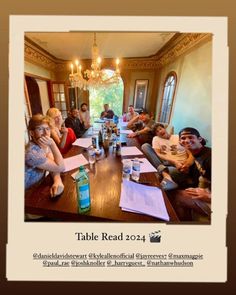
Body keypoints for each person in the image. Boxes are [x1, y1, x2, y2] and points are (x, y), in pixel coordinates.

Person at [168, 127, 211, 221]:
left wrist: (210, 195)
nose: (187, 140)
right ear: (180, 142)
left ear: (199, 139)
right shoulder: (194, 155)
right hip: (201, 187)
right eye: (183, 138)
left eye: (191, 137)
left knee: (177, 196)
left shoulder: (210, 157)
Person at [141, 123, 195, 190]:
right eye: (157, 132)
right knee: (145, 146)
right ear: (156, 134)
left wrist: (186, 164)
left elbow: (190, 154)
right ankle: (165, 175)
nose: (160, 131)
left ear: (164, 128)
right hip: (166, 163)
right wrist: (173, 161)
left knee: (168, 172)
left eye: (160, 129)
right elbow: (158, 154)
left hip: (179, 166)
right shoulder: (156, 139)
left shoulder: (178, 137)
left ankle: (163, 173)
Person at [25, 114, 65, 196]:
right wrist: (53, 144)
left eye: (47, 129)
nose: (46, 133)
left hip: (38, 187)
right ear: (32, 133)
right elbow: (61, 167)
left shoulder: (43, 145)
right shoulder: (32, 153)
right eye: (40, 129)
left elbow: (54, 165)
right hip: (26, 196)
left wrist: (57, 180)